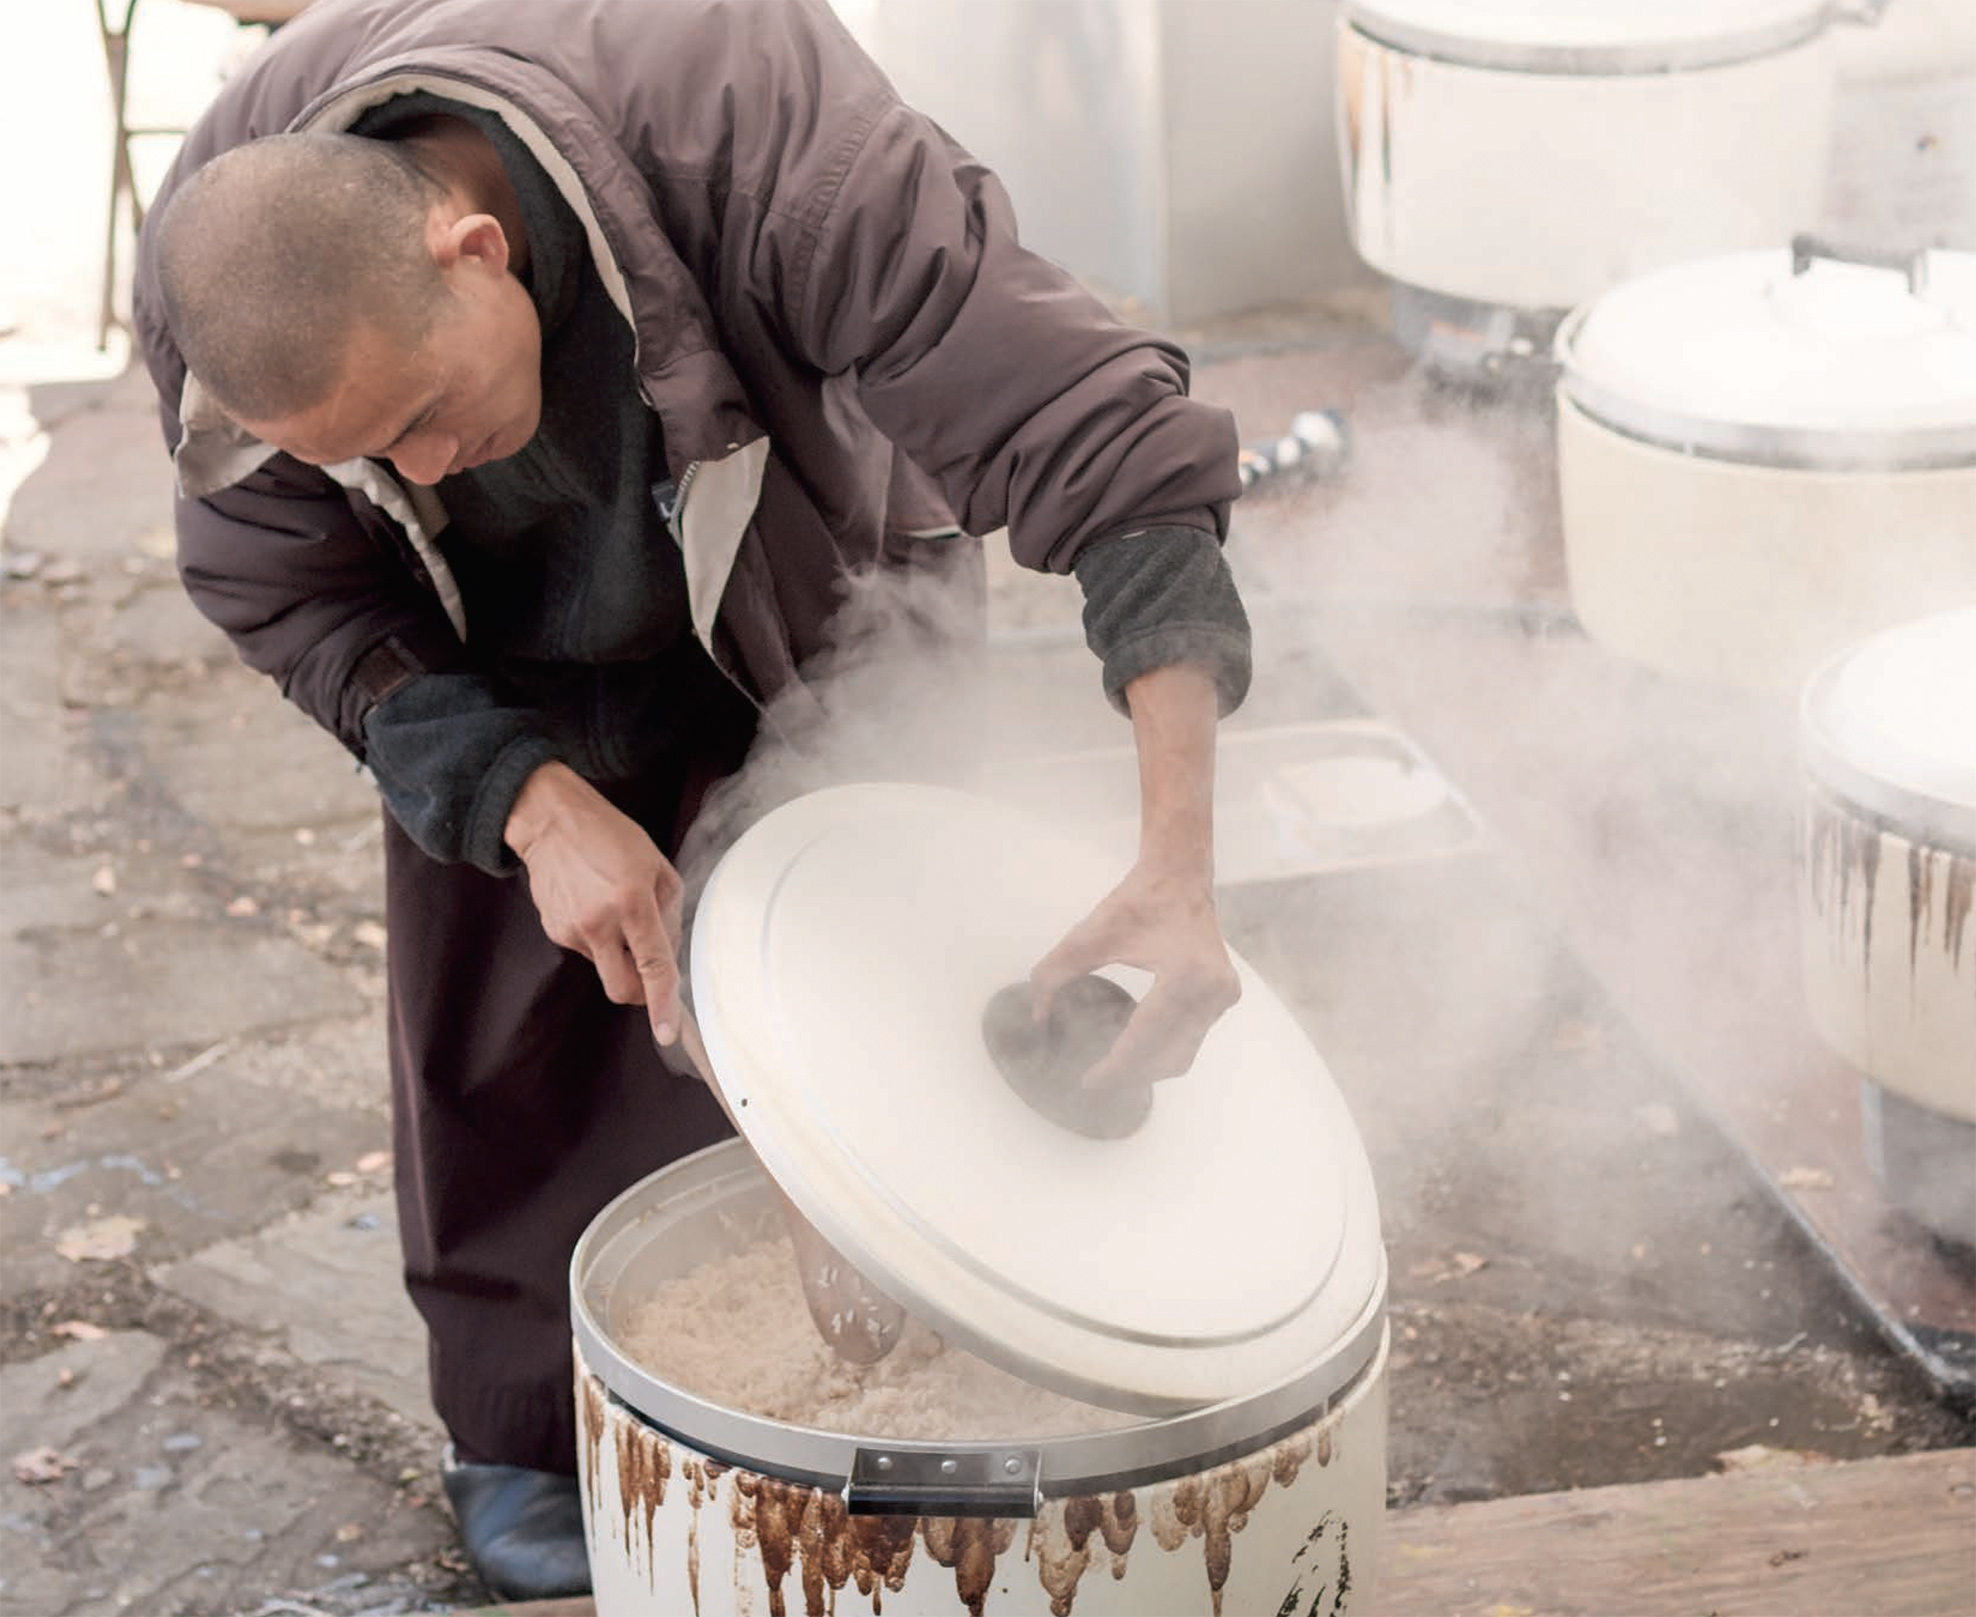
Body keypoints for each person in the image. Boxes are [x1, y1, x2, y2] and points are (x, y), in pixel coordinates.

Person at [135, 0, 1252, 1598]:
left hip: (794, 534)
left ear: (473, 251)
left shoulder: (752, 117)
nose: (431, 464)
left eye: (426, 415)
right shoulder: (227, 298)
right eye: (377, 455)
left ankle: (945, 1309)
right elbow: (283, 588)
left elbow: (1094, 436)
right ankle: (523, 1423)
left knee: (867, 926)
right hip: (491, 633)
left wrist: (1178, 862)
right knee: (506, 990)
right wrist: (524, 798)